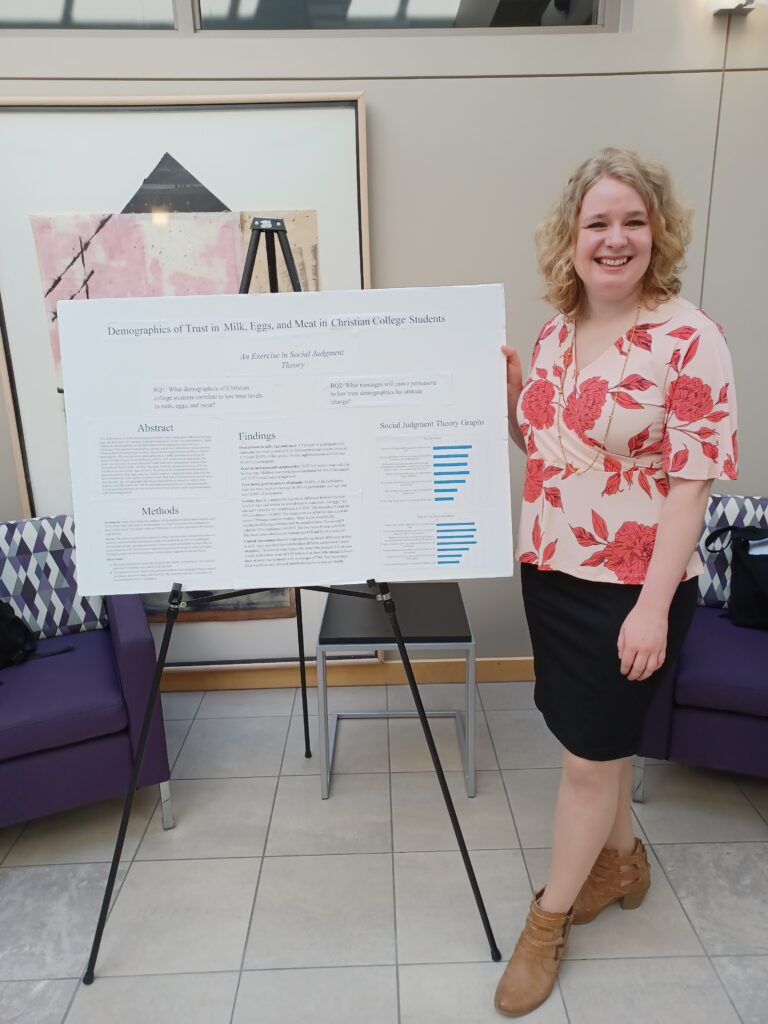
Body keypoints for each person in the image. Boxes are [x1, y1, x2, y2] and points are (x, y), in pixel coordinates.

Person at [494, 147, 738, 1017]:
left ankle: (546, 922)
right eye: (597, 222)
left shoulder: (689, 337)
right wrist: (515, 400)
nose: (615, 238)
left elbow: (690, 486)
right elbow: (554, 454)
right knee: (592, 742)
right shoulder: (557, 331)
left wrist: (652, 609)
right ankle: (623, 865)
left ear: (658, 232)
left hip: (630, 587)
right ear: (570, 236)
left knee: (586, 765)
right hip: (552, 569)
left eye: (633, 220)